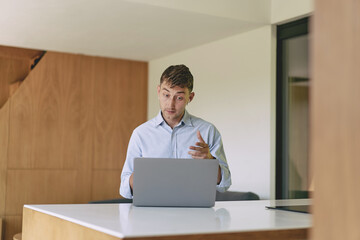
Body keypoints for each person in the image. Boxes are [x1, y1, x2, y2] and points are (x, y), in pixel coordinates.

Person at [120, 64, 231, 199]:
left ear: (190, 98)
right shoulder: (140, 134)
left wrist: (210, 161)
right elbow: (124, 190)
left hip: (195, 214)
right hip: (151, 214)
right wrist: (143, 174)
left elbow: (225, 184)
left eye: (179, 98)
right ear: (158, 91)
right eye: (166, 95)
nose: (170, 104)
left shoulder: (207, 131)